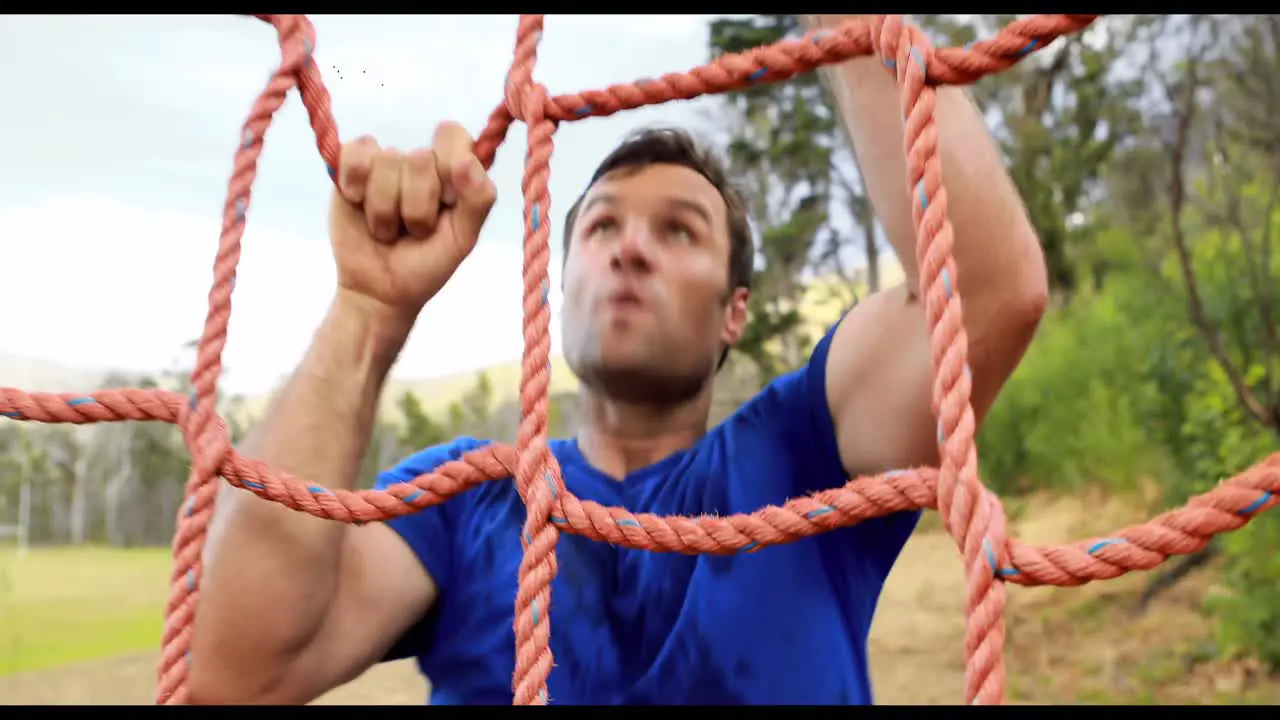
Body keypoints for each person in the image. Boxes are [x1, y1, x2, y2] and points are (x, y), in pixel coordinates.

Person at [188, 18, 1048, 706]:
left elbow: (984, 291)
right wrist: (368, 312)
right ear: (558, 295)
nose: (629, 249)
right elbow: (237, 673)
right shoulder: (468, 501)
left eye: (678, 230)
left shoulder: (806, 456)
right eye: (600, 227)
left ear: (733, 312)